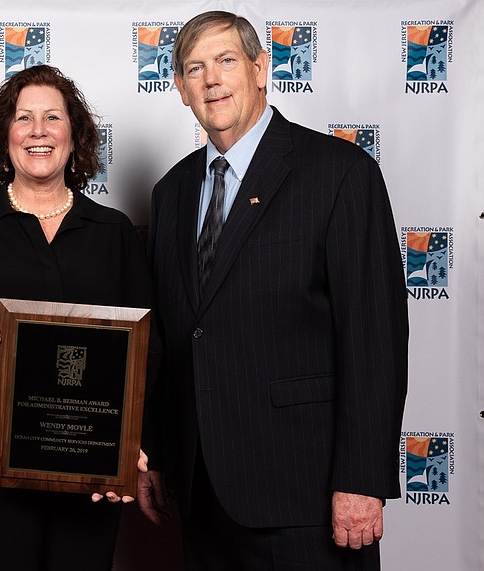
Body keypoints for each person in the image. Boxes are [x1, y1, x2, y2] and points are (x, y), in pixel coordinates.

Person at [138, 11, 409, 570]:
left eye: (226, 61)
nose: (211, 79)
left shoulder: (338, 173)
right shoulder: (172, 192)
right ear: (181, 90)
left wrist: (361, 480)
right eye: (195, 68)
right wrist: (159, 454)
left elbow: (372, 337)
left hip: (306, 492)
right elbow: (170, 337)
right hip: (201, 491)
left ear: (262, 69)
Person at [0, 64, 154, 571]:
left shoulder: (114, 233)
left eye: (53, 117)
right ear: (5, 136)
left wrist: (132, 447)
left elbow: (147, 355)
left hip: (90, 473)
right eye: (24, 118)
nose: (39, 130)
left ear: (75, 135)